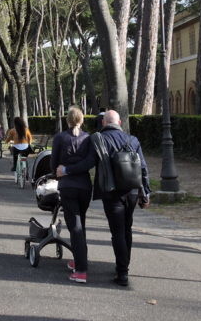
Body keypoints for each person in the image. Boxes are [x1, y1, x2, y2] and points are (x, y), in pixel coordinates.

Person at [62, 109, 151, 286]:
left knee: (117, 232)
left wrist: (67, 170)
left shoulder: (99, 139)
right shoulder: (133, 140)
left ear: (104, 123)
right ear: (119, 123)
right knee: (127, 228)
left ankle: (122, 273)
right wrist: (145, 192)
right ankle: (123, 266)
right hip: (132, 191)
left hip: (112, 192)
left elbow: (89, 163)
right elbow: (143, 167)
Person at [51, 106, 92, 283]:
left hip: (68, 187)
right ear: (82, 120)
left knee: (74, 226)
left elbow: (53, 163)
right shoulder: (88, 138)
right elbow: (90, 162)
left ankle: (81, 270)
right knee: (80, 223)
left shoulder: (60, 138)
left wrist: (62, 171)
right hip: (84, 186)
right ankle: (79, 259)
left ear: (67, 120)